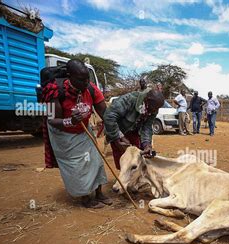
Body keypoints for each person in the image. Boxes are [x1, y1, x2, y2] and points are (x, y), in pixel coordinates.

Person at [41, 59, 110, 209]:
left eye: (87, 78)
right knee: (78, 165)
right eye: (81, 79)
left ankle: (99, 193)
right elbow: (53, 120)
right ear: (70, 76)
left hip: (84, 129)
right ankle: (85, 197)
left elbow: (105, 113)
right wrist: (70, 121)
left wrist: (115, 131)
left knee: (96, 160)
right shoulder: (55, 91)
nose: (86, 82)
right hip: (64, 133)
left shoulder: (90, 89)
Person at [103, 87, 165, 170]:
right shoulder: (129, 100)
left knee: (137, 160)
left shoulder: (153, 108)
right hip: (117, 131)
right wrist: (119, 138)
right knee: (123, 161)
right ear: (147, 99)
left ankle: (135, 179)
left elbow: (147, 127)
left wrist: (147, 144)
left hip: (134, 133)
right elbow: (109, 117)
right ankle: (125, 179)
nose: (155, 111)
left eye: (157, 108)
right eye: (154, 108)